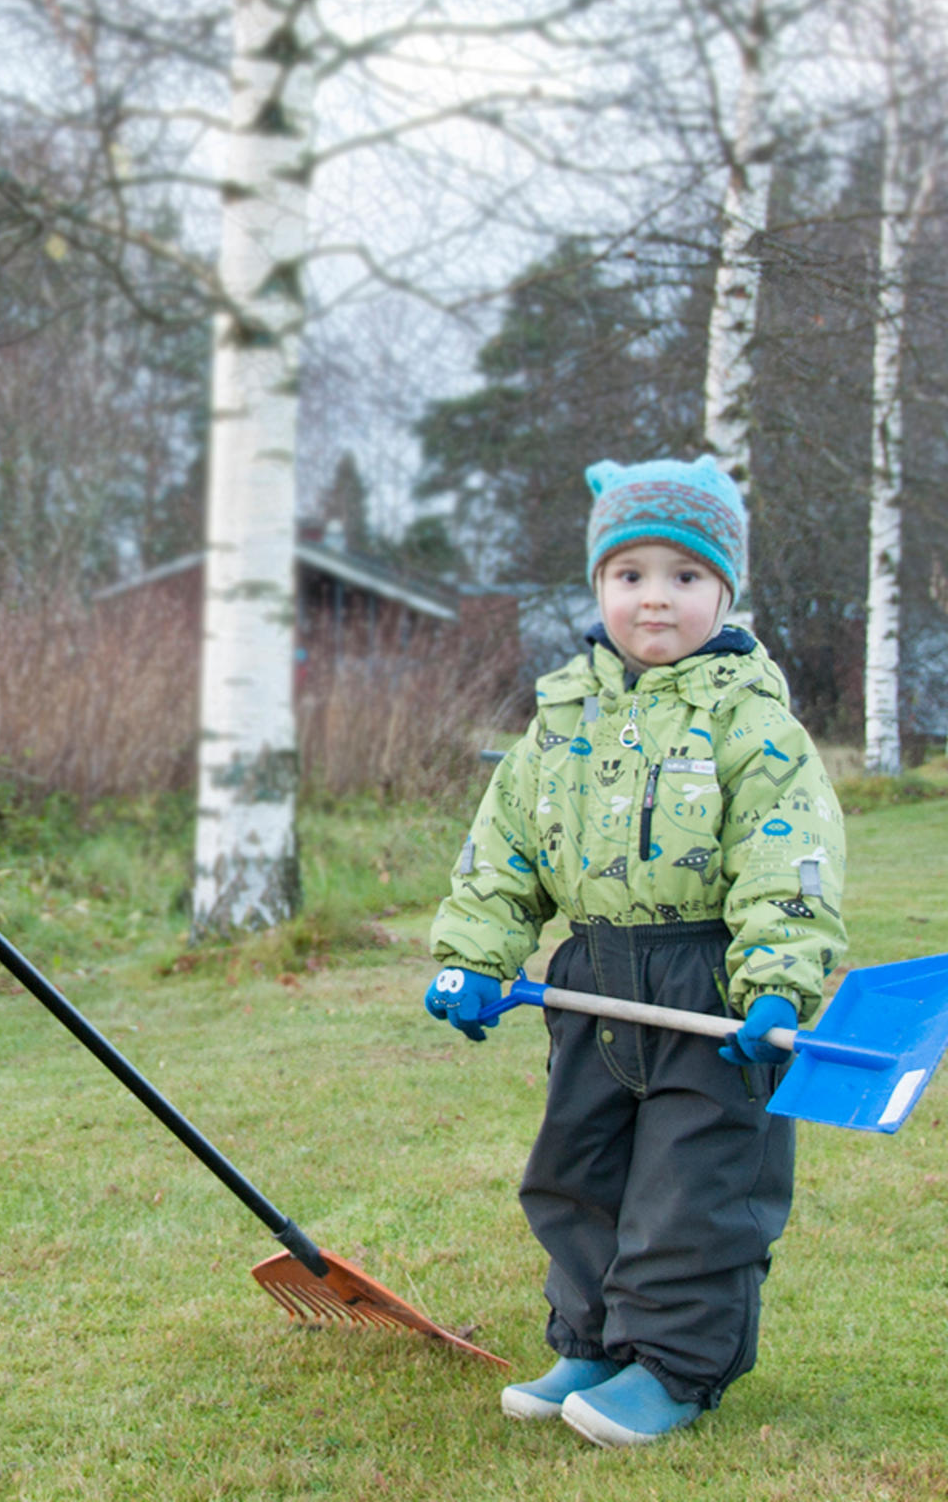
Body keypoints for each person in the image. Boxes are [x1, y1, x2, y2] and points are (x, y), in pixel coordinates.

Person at [424, 456, 845, 1449]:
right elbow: (506, 850)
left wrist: (776, 982)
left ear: (724, 591)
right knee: (576, 1168)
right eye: (629, 574)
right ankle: (593, 1340)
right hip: (591, 981)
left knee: (691, 1186)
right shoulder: (560, 716)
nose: (654, 597)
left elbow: (789, 857)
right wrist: (474, 955)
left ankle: (673, 1366)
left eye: (683, 576)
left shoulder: (753, 722)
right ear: (598, 587)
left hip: (706, 985)